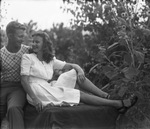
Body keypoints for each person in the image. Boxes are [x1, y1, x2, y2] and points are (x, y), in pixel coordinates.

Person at [21, 31, 138, 114]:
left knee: (74, 73)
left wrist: (80, 71)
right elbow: (24, 80)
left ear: (45, 44)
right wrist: (35, 99)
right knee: (77, 94)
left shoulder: (50, 59)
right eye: (33, 42)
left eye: (37, 42)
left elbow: (72, 65)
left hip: (48, 87)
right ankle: (118, 104)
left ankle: (105, 95)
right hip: (36, 90)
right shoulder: (28, 57)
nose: (34, 44)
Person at [0, 21, 30, 129]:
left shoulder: (27, 50)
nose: (22, 39)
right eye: (20, 36)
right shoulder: (1, 54)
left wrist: (73, 66)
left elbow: (47, 57)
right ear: (10, 36)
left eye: (23, 36)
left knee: (14, 108)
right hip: (3, 86)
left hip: (19, 86)